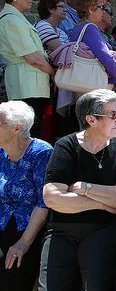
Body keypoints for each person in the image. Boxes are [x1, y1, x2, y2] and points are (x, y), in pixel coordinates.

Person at [40, 89, 116, 290]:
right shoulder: (66, 145)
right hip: (61, 230)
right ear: (91, 119)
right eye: (113, 115)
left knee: (96, 284)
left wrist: (84, 188)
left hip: (103, 229)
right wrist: (103, 203)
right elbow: (52, 198)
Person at [0, 101, 52, 291]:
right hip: (3, 223)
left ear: (16, 128)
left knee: (12, 277)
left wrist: (22, 244)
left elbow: (44, 202)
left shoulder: (41, 152)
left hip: (28, 230)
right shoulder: (0, 152)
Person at [0, 0, 54, 138]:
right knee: (27, 136)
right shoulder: (12, 20)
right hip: (26, 86)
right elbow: (33, 58)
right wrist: (54, 73)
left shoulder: (16, 19)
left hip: (31, 85)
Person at [71, 0, 116, 94]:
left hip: (83, 83)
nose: (104, 11)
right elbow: (106, 57)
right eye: (102, 7)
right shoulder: (90, 28)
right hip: (94, 85)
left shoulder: (77, 27)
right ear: (91, 8)